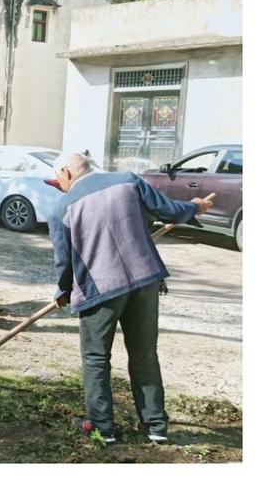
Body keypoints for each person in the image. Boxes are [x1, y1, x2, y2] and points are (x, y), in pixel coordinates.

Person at [48, 151, 212, 445]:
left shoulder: (62, 207)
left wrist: (63, 291)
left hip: (101, 290)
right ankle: (156, 426)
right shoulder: (128, 181)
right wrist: (194, 207)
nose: (59, 185)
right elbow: (171, 211)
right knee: (144, 352)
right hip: (144, 281)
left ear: (67, 171)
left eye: (58, 179)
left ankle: (103, 427)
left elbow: (64, 262)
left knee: (97, 358)